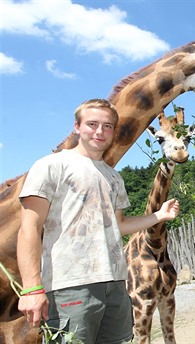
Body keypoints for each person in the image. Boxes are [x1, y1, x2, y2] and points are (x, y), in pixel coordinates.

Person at [17, 98, 180, 343]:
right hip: (70, 285)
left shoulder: (113, 177)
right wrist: (32, 288)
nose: (100, 131)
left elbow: (119, 226)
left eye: (107, 126)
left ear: (114, 131)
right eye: (92, 124)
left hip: (115, 284)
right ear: (77, 127)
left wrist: (160, 215)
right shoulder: (51, 166)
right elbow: (29, 227)